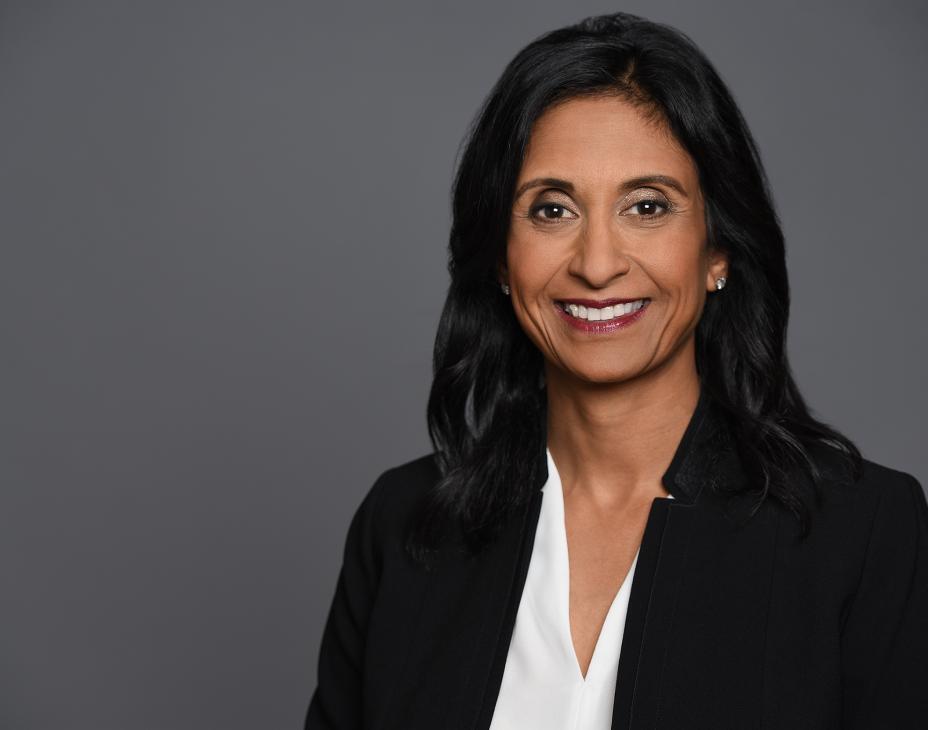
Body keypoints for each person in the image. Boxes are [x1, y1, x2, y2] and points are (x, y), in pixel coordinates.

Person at [304, 11, 928, 730]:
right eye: (552, 209)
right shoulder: (404, 525)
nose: (597, 264)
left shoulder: (860, 532)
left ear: (718, 250)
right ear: (503, 262)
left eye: (647, 206)